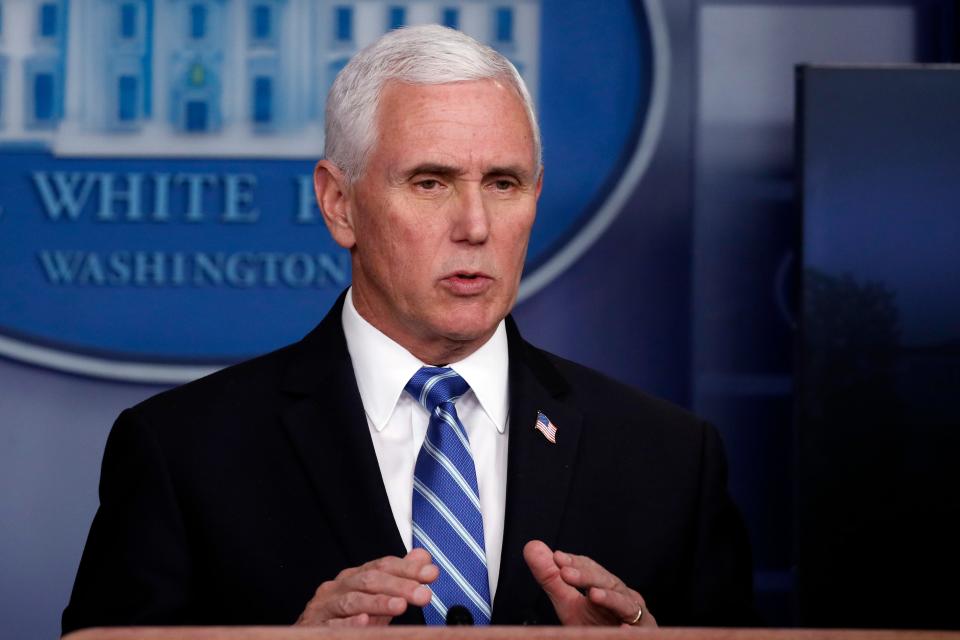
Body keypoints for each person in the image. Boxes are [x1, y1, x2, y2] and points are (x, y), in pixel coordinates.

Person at [62, 25, 753, 633]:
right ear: (339, 204)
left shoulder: (670, 459)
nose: (476, 226)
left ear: (535, 199)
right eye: (431, 182)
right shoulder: (183, 452)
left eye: (504, 184)